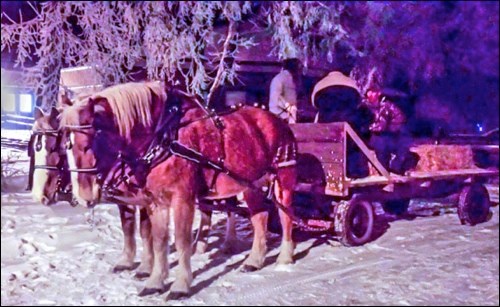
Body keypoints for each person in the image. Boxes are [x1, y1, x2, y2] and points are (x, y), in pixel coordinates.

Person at [364, 86, 417, 175]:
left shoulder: (387, 106)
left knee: (402, 146)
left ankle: (396, 169)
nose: (371, 94)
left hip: (387, 134)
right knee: (381, 145)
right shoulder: (364, 107)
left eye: (373, 92)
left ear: (379, 93)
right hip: (370, 135)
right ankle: (384, 173)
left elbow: (399, 117)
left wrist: (392, 128)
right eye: (369, 92)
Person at [269, 58, 302, 124]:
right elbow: (275, 101)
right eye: (298, 67)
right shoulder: (280, 78)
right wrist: (287, 114)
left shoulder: (293, 79)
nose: (300, 70)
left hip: (290, 115)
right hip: (281, 117)